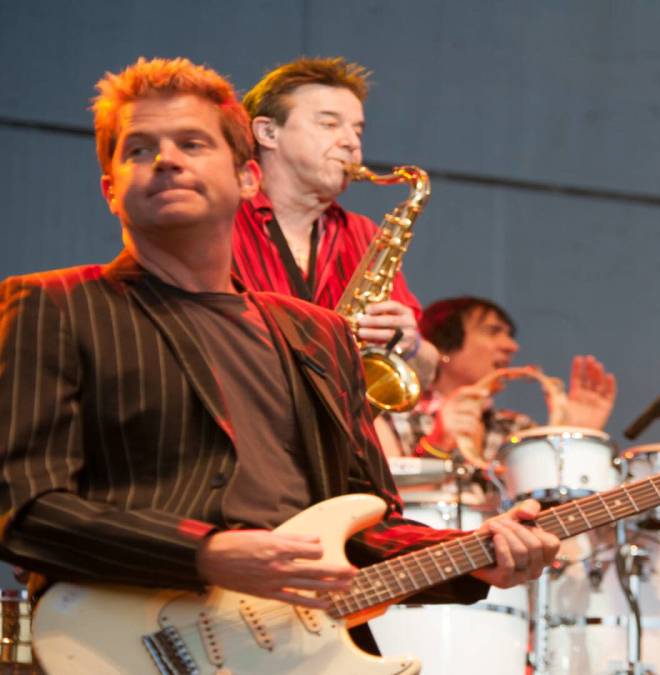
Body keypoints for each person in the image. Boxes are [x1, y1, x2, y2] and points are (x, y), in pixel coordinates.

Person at [0, 58, 557, 621]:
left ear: (248, 178)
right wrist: (205, 555)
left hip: (297, 646)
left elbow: (367, 526)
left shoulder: (320, 334)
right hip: (130, 642)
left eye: (192, 144)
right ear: (110, 190)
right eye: (139, 150)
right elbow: (20, 510)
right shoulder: (52, 305)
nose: (165, 159)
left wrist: (472, 556)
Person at [232, 57, 439, 391]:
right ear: (268, 132)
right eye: (329, 124)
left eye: (357, 130)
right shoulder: (219, 220)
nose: (351, 142)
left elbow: (427, 373)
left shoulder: (364, 234)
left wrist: (410, 344)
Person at [383, 296, 617, 464]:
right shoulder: (393, 418)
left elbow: (551, 507)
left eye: (509, 335)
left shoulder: (516, 429)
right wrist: (436, 446)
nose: (511, 346)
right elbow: (382, 506)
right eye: (493, 331)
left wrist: (575, 437)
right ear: (443, 346)